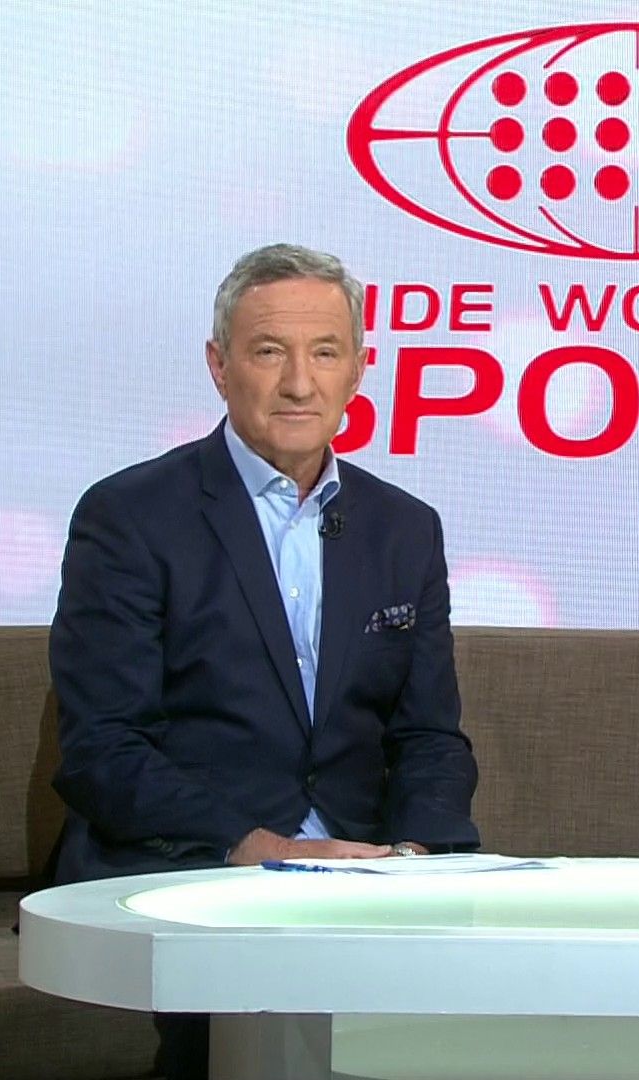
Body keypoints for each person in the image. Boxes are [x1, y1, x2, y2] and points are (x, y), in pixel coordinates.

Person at [47, 243, 480, 1079]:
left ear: (360, 369)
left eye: (326, 353)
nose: (299, 384)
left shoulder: (404, 528)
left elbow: (430, 737)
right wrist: (258, 847)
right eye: (270, 352)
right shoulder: (131, 517)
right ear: (219, 366)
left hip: (362, 878)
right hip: (194, 868)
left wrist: (417, 858)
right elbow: (104, 749)